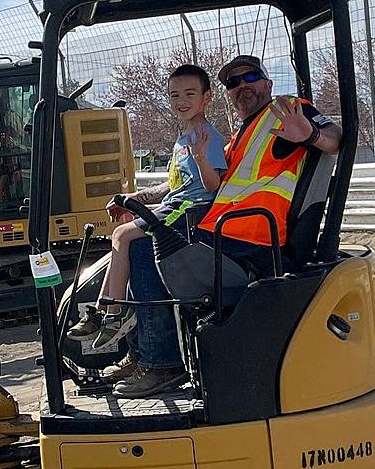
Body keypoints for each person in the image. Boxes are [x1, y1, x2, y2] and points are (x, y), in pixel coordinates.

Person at [105, 54, 342, 399]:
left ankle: (161, 363)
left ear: (268, 83)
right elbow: (192, 185)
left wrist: (311, 134)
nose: (242, 86)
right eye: (234, 82)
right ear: (227, 94)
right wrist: (136, 196)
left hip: (253, 241)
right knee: (140, 242)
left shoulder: (286, 110)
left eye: (250, 78)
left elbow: (335, 137)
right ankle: (142, 354)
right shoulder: (237, 138)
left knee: (141, 249)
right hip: (221, 233)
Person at [67, 64, 227, 351]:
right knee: (121, 236)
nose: (181, 101)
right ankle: (105, 309)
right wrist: (134, 197)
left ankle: (115, 313)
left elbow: (213, 184)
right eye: (174, 95)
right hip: (178, 203)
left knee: (123, 236)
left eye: (190, 93)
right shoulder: (184, 140)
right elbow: (173, 185)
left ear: (207, 98)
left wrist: (202, 159)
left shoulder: (207, 137)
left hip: (192, 210)